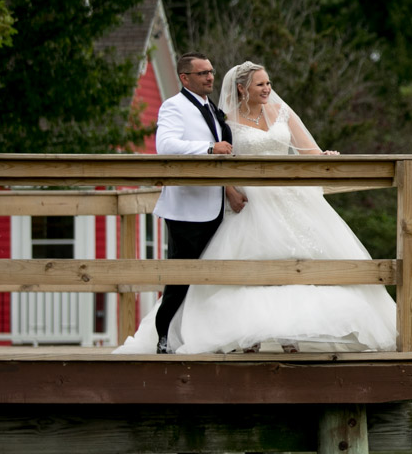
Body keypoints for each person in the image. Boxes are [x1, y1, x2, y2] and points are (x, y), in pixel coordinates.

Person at [116, 61, 397, 354]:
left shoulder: (282, 113)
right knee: (248, 262)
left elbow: (307, 149)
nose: (267, 89)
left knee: (301, 259)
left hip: (288, 198)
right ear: (242, 88)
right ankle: (249, 336)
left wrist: (324, 156)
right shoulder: (226, 120)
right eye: (260, 84)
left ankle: (293, 331)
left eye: (268, 83)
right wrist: (230, 190)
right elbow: (221, 161)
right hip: (250, 200)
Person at [149, 52, 233, 354]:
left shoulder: (213, 108)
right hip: (186, 207)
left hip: (217, 205)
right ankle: (163, 336)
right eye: (202, 73)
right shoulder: (173, 106)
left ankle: (205, 337)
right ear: (185, 78)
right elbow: (166, 146)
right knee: (180, 276)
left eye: (211, 71)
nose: (210, 77)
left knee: (212, 276)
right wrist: (209, 147)